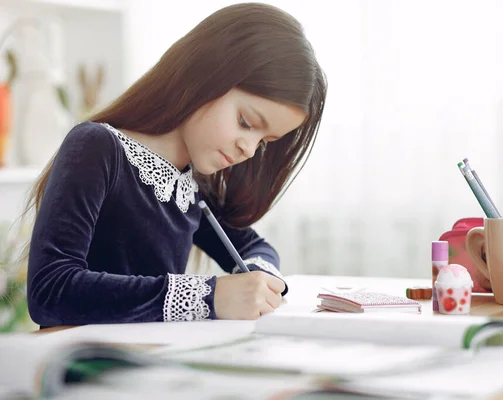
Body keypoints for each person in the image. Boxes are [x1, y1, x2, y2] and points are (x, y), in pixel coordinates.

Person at [25, 2, 327, 327]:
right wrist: (208, 297)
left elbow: (254, 246)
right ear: (207, 74)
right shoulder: (97, 147)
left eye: (264, 142)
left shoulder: (191, 185)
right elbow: (50, 291)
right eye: (246, 122)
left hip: (156, 360)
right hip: (87, 364)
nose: (249, 149)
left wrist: (260, 278)